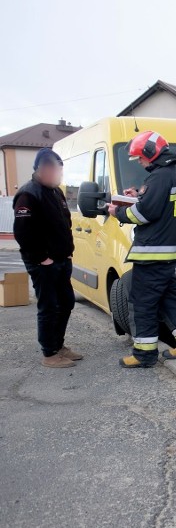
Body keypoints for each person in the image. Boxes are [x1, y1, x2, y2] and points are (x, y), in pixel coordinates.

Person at [107, 131, 176, 368]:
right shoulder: (173, 178)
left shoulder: (159, 179)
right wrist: (138, 195)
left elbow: (145, 213)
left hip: (152, 254)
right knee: (169, 297)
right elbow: (156, 207)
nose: (139, 162)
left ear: (151, 153)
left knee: (143, 303)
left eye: (140, 157)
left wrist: (116, 212)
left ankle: (144, 354)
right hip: (166, 254)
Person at [12, 148, 82, 368]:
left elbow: (64, 223)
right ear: (40, 170)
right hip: (44, 263)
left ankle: (58, 345)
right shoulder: (29, 193)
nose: (57, 175)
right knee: (49, 306)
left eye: (59, 170)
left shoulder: (55, 192)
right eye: (53, 170)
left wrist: (67, 250)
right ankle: (49, 353)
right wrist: (42, 257)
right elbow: (23, 232)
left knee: (66, 302)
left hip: (61, 260)